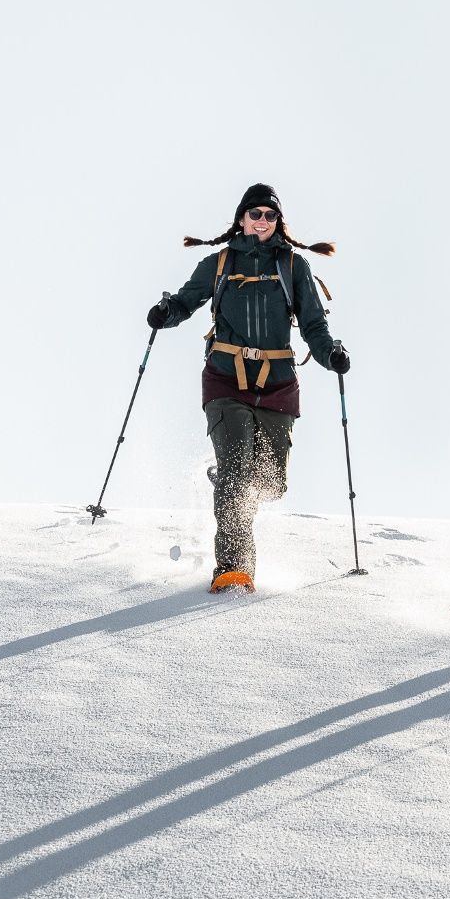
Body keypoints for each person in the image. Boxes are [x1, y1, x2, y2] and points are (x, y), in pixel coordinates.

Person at [148, 183, 350, 593]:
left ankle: (227, 479)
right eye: (255, 213)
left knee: (271, 485)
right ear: (241, 218)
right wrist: (167, 312)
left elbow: (313, 324)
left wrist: (330, 355)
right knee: (237, 476)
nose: (262, 220)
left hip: (278, 385)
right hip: (225, 380)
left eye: (270, 215)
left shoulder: (293, 266)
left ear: (278, 222)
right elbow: (186, 302)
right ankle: (233, 569)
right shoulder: (218, 263)